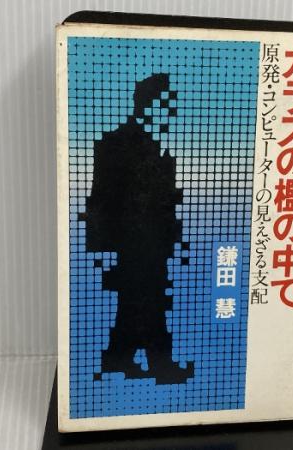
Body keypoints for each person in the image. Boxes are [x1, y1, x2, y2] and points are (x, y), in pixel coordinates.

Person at [83, 73, 194, 384]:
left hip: (150, 244)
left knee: (136, 303)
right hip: (134, 244)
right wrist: (102, 249)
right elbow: (102, 198)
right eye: (167, 102)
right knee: (149, 302)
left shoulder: (152, 144)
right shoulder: (118, 144)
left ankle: (120, 361)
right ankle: (158, 365)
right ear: (148, 103)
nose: (172, 111)